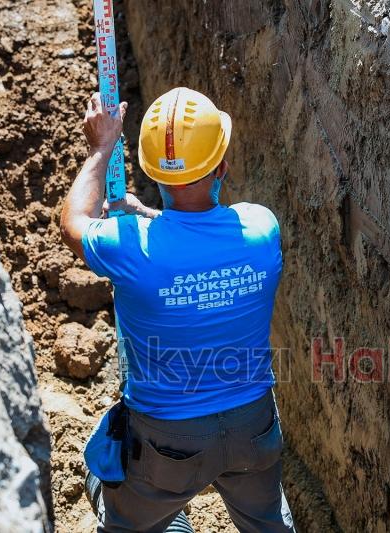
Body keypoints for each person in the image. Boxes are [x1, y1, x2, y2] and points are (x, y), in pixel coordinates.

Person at [60, 87, 294, 532]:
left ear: (153, 173)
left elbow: (73, 223)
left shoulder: (126, 247)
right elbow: (203, 242)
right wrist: (146, 218)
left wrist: (101, 148)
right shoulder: (262, 228)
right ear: (222, 165)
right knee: (267, 521)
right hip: (253, 427)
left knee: (110, 481)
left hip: (168, 440)